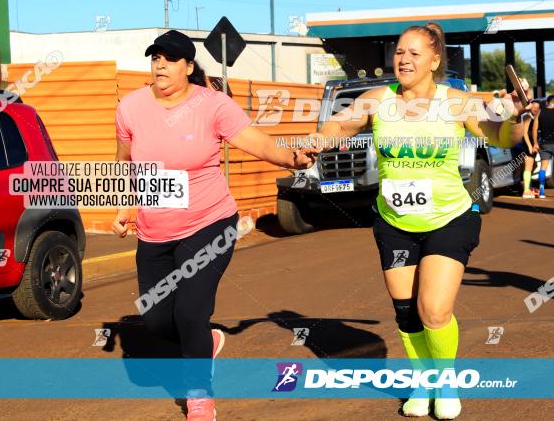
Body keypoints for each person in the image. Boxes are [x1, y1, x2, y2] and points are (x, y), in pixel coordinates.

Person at [304, 24, 526, 419]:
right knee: (406, 313)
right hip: (394, 221)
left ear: (434, 60)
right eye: (399, 52)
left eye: (414, 53)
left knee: (434, 310)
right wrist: (321, 138)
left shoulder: (456, 102)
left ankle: (446, 382)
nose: (403, 60)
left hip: (449, 217)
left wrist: (518, 116)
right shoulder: (377, 99)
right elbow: (340, 125)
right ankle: (422, 381)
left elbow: (501, 136)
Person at [113, 30, 316, 420]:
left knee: (190, 311)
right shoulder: (132, 106)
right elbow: (124, 159)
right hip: (155, 231)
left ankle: (199, 396)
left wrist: (292, 159)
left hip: (209, 222)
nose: (159, 64)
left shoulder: (212, 105)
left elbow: (256, 142)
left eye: (169, 59)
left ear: (189, 67)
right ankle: (206, 341)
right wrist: (125, 206)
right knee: (156, 320)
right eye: (155, 57)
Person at [521, 99, 541, 198]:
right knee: (528, 167)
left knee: (533, 166)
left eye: (537, 108)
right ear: (530, 107)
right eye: (534, 107)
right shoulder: (527, 116)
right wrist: (529, 146)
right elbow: (524, 133)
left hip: (532, 144)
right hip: (527, 145)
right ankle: (526, 191)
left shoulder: (534, 117)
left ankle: (527, 187)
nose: (535, 109)